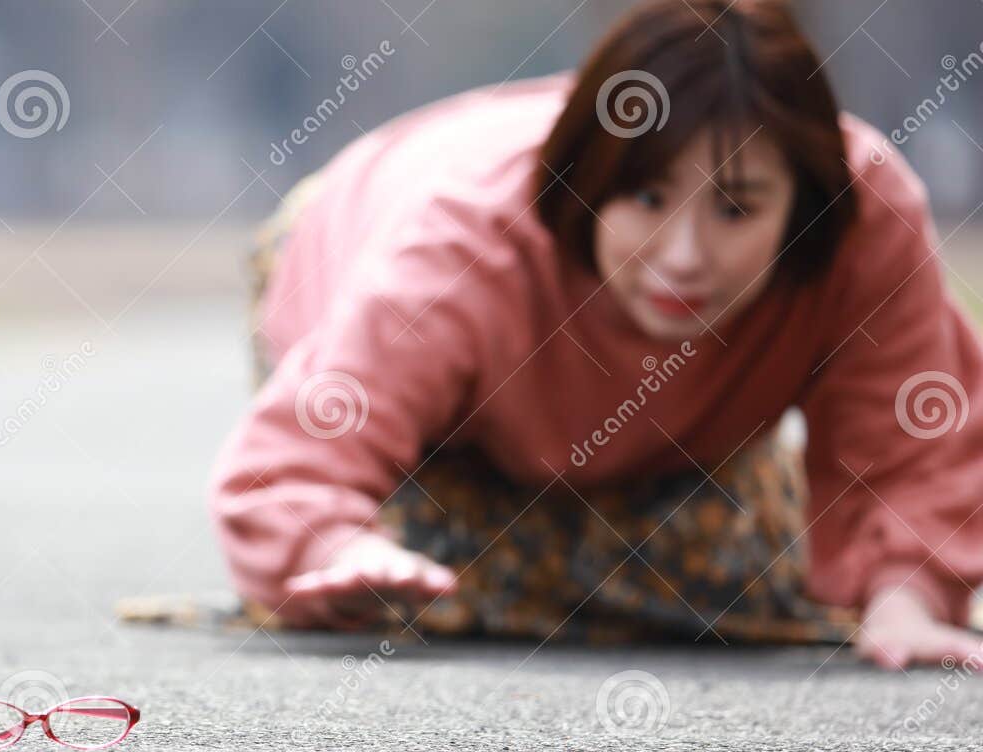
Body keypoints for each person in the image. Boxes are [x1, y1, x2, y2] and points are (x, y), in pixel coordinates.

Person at [206, 0, 983, 670]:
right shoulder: (456, 246)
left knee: (746, 576)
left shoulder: (865, 214)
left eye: (736, 209)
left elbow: (916, 434)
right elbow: (296, 458)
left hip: (667, 432)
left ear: (805, 206)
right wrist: (330, 546)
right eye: (646, 197)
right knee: (426, 567)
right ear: (590, 182)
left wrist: (910, 596)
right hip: (348, 253)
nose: (683, 257)